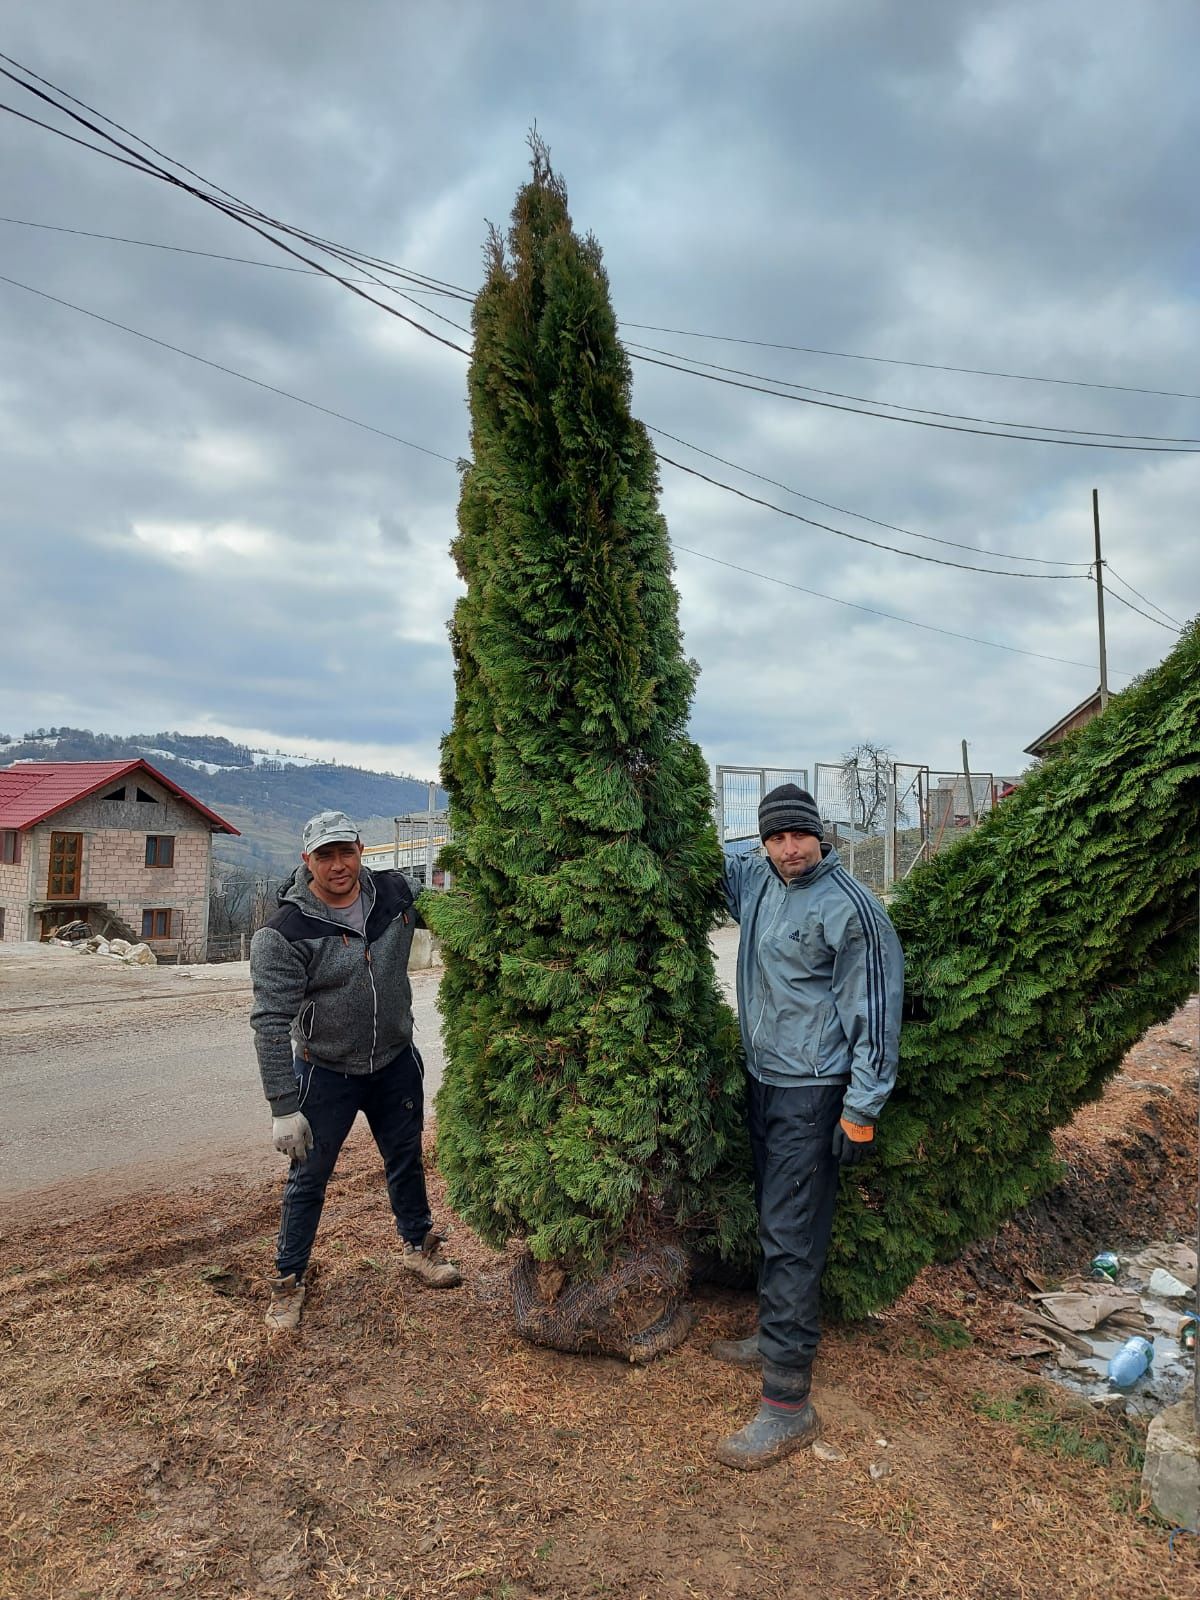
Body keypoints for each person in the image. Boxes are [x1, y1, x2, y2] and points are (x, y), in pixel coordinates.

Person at [712, 784, 903, 1469]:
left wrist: (860, 1112)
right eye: (775, 838)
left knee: (790, 1237)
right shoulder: (760, 880)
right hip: (764, 1081)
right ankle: (774, 1337)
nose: (789, 849)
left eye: (799, 835)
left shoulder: (851, 909)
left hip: (815, 1093)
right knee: (778, 1220)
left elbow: (875, 1013)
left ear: (820, 835)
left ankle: (788, 1404)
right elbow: (710, 865)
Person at [250, 809, 461, 1331]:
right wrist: (283, 1107)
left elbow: (452, 915)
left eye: (346, 851)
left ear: (361, 850)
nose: (338, 865)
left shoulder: (394, 895)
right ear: (308, 861)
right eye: (326, 855)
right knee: (309, 1177)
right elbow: (270, 1022)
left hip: (394, 1061)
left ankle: (418, 1246)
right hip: (326, 1072)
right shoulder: (284, 932)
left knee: (405, 1156)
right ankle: (289, 1279)